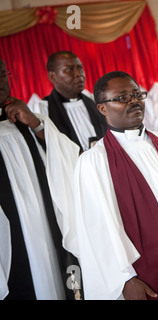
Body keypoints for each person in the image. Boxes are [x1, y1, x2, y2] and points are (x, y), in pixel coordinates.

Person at [71, 71, 158, 300]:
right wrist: (124, 279)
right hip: (145, 273)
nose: (134, 101)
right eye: (123, 97)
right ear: (102, 108)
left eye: (137, 94)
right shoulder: (94, 160)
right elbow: (97, 228)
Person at [0, 57, 81, 299]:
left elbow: (72, 159)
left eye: (2, 73)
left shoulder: (29, 119)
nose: (0, 80)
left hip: (49, 228)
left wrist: (36, 124)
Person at [31, 51, 107, 153]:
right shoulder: (42, 109)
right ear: (52, 76)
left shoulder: (94, 100)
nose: (78, 74)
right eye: (69, 70)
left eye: (80, 68)